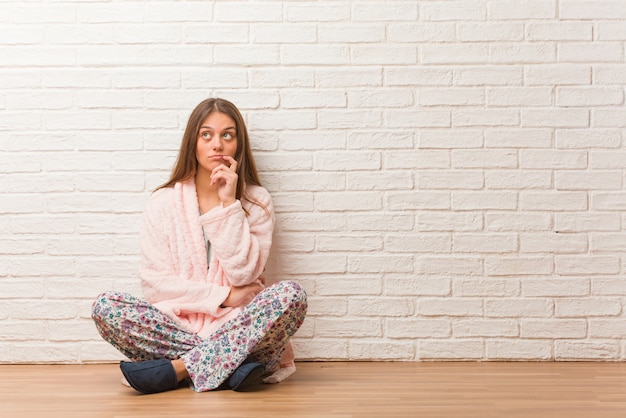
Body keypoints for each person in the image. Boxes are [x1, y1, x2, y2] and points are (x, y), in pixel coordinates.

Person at [91, 98, 307, 394]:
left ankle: (178, 369)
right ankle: (232, 368)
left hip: (239, 324)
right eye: (207, 135)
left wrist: (230, 204)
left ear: (238, 145)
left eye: (227, 135)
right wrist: (225, 296)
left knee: (291, 296)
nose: (217, 144)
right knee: (106, 307)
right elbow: (156, 286)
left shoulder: (256, 201)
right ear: (193, 142)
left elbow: (245, 273)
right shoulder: (163, 202)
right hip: (180, 327)